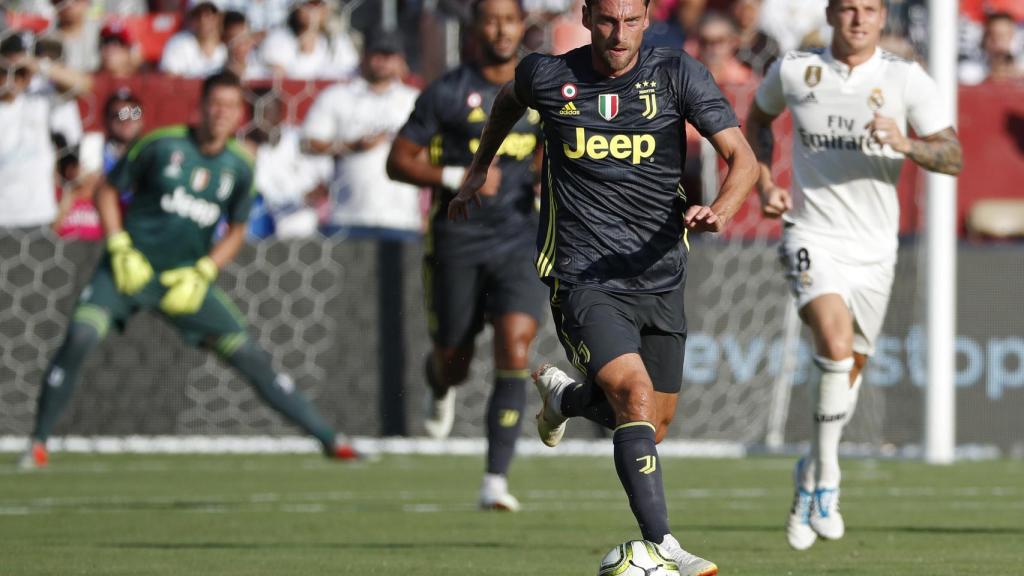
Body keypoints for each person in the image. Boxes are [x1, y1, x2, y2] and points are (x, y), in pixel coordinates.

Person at [450, 0, 757, 570]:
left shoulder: (676, 74)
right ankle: (664, 548)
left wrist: (720, 206)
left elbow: (742, 158)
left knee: (650, 425)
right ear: (589, 17)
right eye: (609, 21)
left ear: (647, 19)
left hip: (661, 274)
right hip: (582, 274)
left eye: (632, 21)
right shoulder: (548, 75)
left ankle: (565, 398)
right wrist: (479, 168)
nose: (619, 35)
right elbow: (506, 103)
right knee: (634, 397)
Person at [17, 71, 361, 470]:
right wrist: (118, 244)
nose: (221, 113)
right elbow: (107, 190)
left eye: (230, 107)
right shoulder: (161, 144)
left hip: (185, 281)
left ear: (239, 115)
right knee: (79, 336)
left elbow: (236, 230)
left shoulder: (240, 167)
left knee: (251, 358)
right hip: (128, 270)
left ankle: (330, 440)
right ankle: (38, 444)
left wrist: (203, 271)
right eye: (214, 104)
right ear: (200, 106)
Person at [744, 0, 962, 551]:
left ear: (882, 17)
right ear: (831, 14)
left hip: (876, 251)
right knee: (835, 346)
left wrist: (907, 144)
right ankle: (831, 476)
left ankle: (810, 474)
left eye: (869, 10)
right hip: (812, 235)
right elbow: (758, 122)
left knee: (847, 369)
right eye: (848, 9)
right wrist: (766, 181)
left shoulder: (905, 79)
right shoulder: (796, 70)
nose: (859, 20)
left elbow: (953, 155)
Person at [387, 0, 548, 512]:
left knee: (516, 345)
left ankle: (495, 479)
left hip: (520, 238)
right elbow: (398, 160)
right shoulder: (448, 91)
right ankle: (441, 383)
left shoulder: (543, 88)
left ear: (523, 26)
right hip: (457, 238)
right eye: (491, 20)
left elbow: (559, 144)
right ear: (475, 29)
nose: (501, 29)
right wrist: (458, 176)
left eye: (510, 19)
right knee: (454, 361)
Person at [304, 31, 420, 238]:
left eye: (389, 55)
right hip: (347, 216)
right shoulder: (337, 96)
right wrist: (352, 146)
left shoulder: (414, 101)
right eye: (377, 54)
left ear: (401, 60)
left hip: (402, 218)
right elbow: (308, 143)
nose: (383, 62)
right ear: (363, 56)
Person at [259, 0, 358, 80]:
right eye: (308, 5)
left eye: (318, 4)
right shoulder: (278, 39)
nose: (313, 10)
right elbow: (278, 77)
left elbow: (350, 73)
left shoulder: (338, 42)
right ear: (295, 8)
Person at [159, 0, 227, 78]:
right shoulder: (178, 43)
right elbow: (169, 78)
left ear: (220, 17)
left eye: (209, 14)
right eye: (197, 15)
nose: (203, 20)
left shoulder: (229, 45)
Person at [731, 0, 779, 76]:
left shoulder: (770, 46)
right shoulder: (720, 42)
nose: (746, 13)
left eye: (751, 8)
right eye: (742, 7)